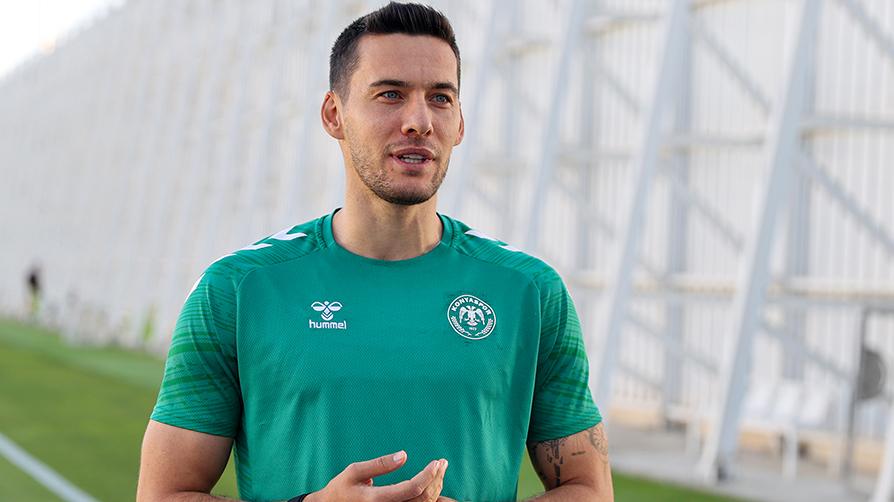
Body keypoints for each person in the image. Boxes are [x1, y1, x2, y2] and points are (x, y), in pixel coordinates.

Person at [137, 3, 613, 501]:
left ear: (460, 124)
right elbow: (163, 493)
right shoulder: (237, 290)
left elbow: (588, 489)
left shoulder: (529, 291)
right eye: (390, 94)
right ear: (334, 114)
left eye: (440, 98)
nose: (419, 121)